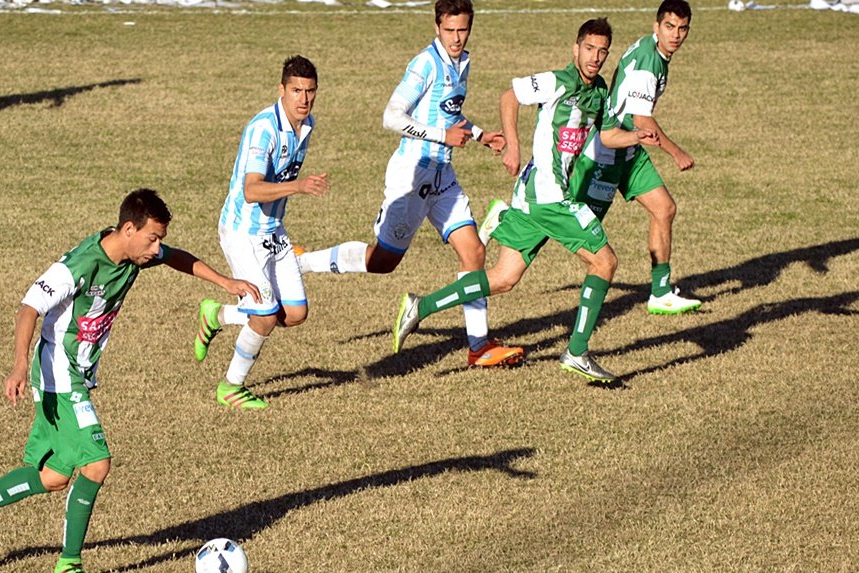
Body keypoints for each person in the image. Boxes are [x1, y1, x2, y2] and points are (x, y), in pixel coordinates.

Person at [0, 189, 259, 573]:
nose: (156, 248)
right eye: (152, 239)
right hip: (58, 372)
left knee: (54, 476)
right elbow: (28, 308)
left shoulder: (136, 254)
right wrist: (19, 364)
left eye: (159, 239)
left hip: (77, 373)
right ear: (129, 229)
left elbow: (176, 257)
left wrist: (224, 281)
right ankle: (68, 565)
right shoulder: (79, 266)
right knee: (97, 463)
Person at [393, 18, 659, 383]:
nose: (595, 57)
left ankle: (420, 306)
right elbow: (510, 97)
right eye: (589, 49)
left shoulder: (598, 92)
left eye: (602, 52)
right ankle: (577, 352)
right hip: (549, 195)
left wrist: (636, 136)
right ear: (575, 49)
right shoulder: (557, 81)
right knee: (605, 261)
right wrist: (514, 147)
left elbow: (608, 136)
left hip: (532, 196)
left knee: (504, 278)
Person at [294, 0, 524, 369]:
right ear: (437, 28)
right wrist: (442, 136)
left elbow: (448, 112)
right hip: (412, 176)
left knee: (473, 253)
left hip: (443, 176)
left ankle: (479, 347)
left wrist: (480, 134)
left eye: (462, 30)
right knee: (383, 261)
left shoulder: (462, 61)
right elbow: (391, 117)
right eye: (449, 30)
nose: (456, 38)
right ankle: (302, 262)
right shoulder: (425, 64)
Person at [482, 1, 700, 316]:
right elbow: (641, 118)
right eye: (669, 27)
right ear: (657, 27)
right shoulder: (648, 62)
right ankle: (508, 217)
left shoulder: (652, 53)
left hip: (630, 149)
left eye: (682, 29)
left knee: (664, 208)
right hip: (605, 156)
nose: (675, 35)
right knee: (572, 226)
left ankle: (661, 292)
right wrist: (676, 152)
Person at [193, 55, 327, 410]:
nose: (304, 98)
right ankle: (230, 387)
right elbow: (251, 190)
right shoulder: (263, 129)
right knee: (265, 315)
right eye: (296, 90)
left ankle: (217, 315)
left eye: (310, 91)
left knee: (295, 313)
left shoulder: (307, 124)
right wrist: (298, 186)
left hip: (272, 231)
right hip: (243, 232)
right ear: (281, 90)